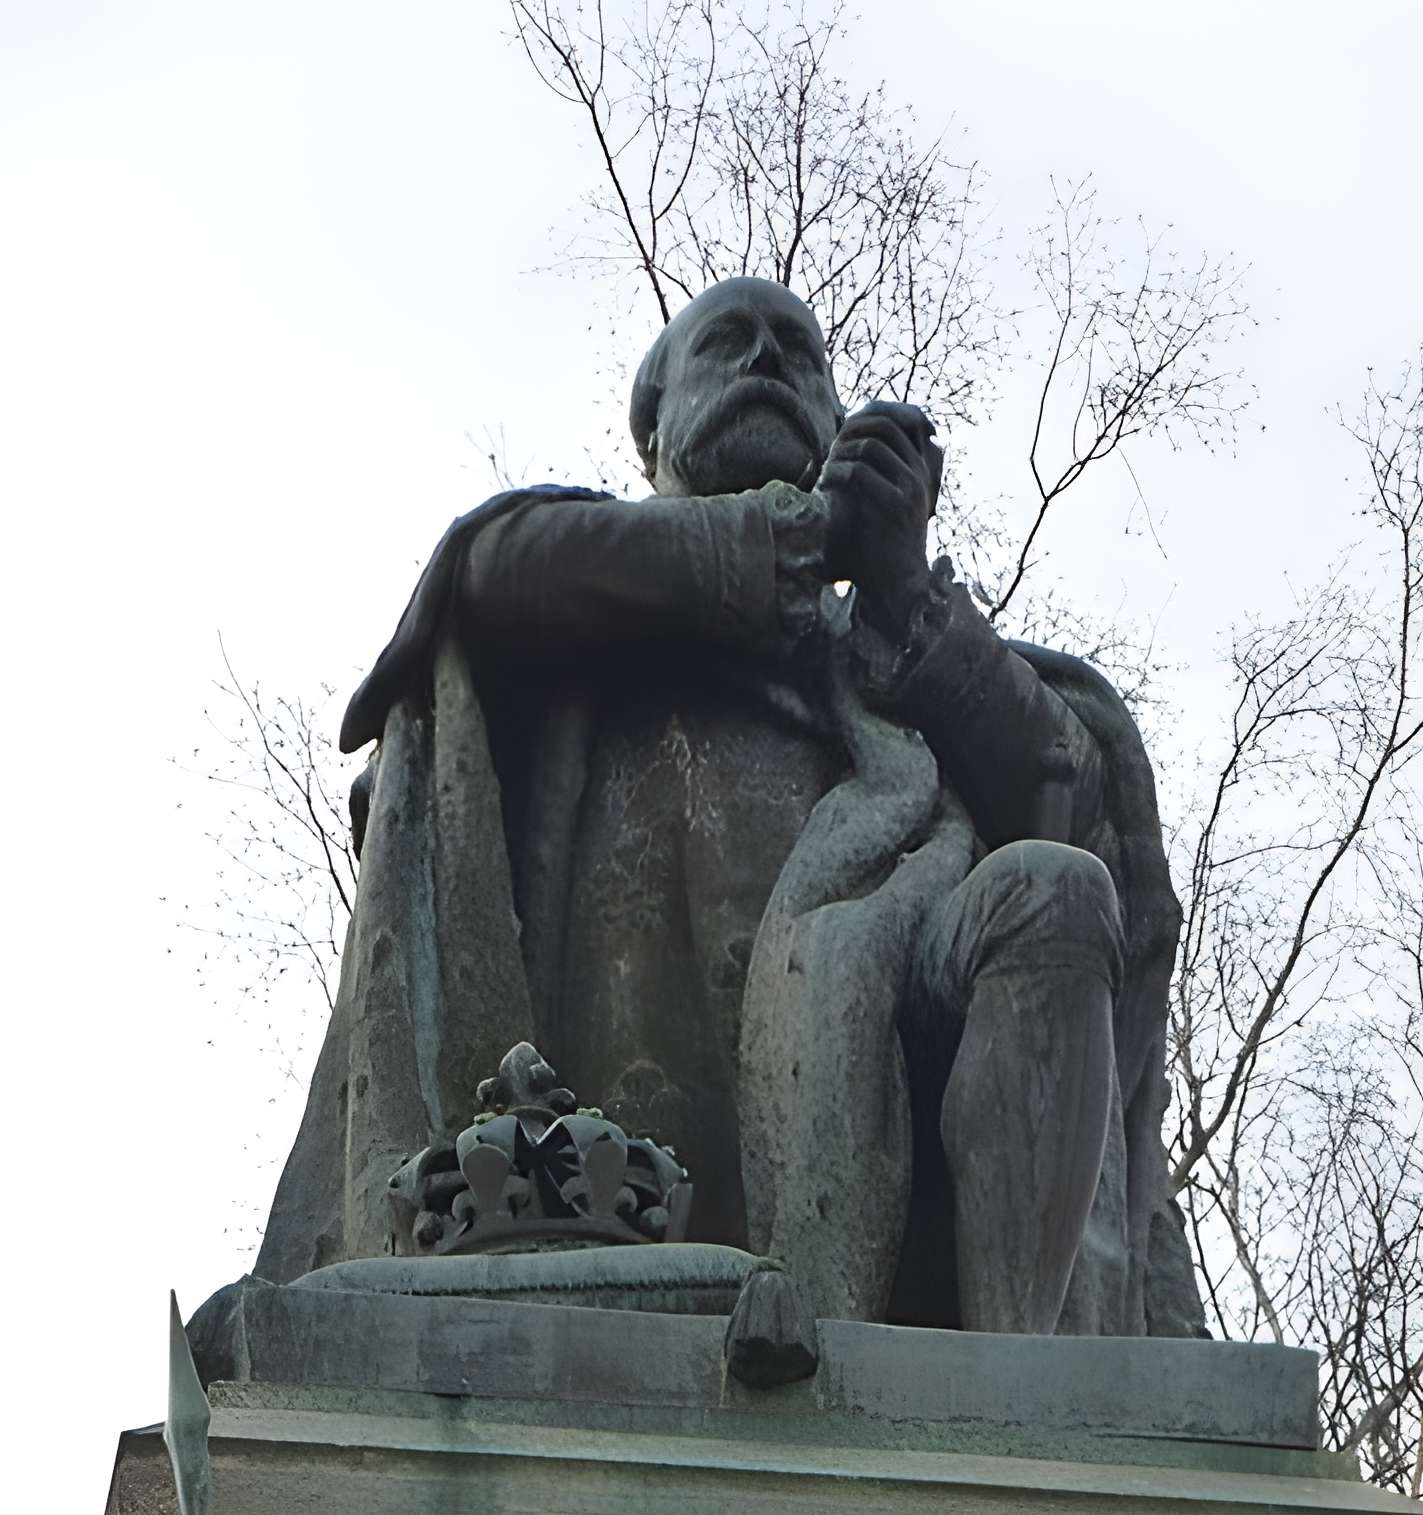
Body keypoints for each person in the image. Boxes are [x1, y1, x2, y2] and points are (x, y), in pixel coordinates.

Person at [257, 278, 1198, 1337]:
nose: (766, 364)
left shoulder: (894, 656)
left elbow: (1067, 803)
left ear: (835, 422)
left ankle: (1008, 1402)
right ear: (652, 428)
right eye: (730, 344)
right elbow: (483, 572)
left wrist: (897, 586)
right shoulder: (583, 585)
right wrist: (795, 542)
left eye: (799, 352)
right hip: (600, 1154)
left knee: (1055, 891)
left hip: (904, 1054)